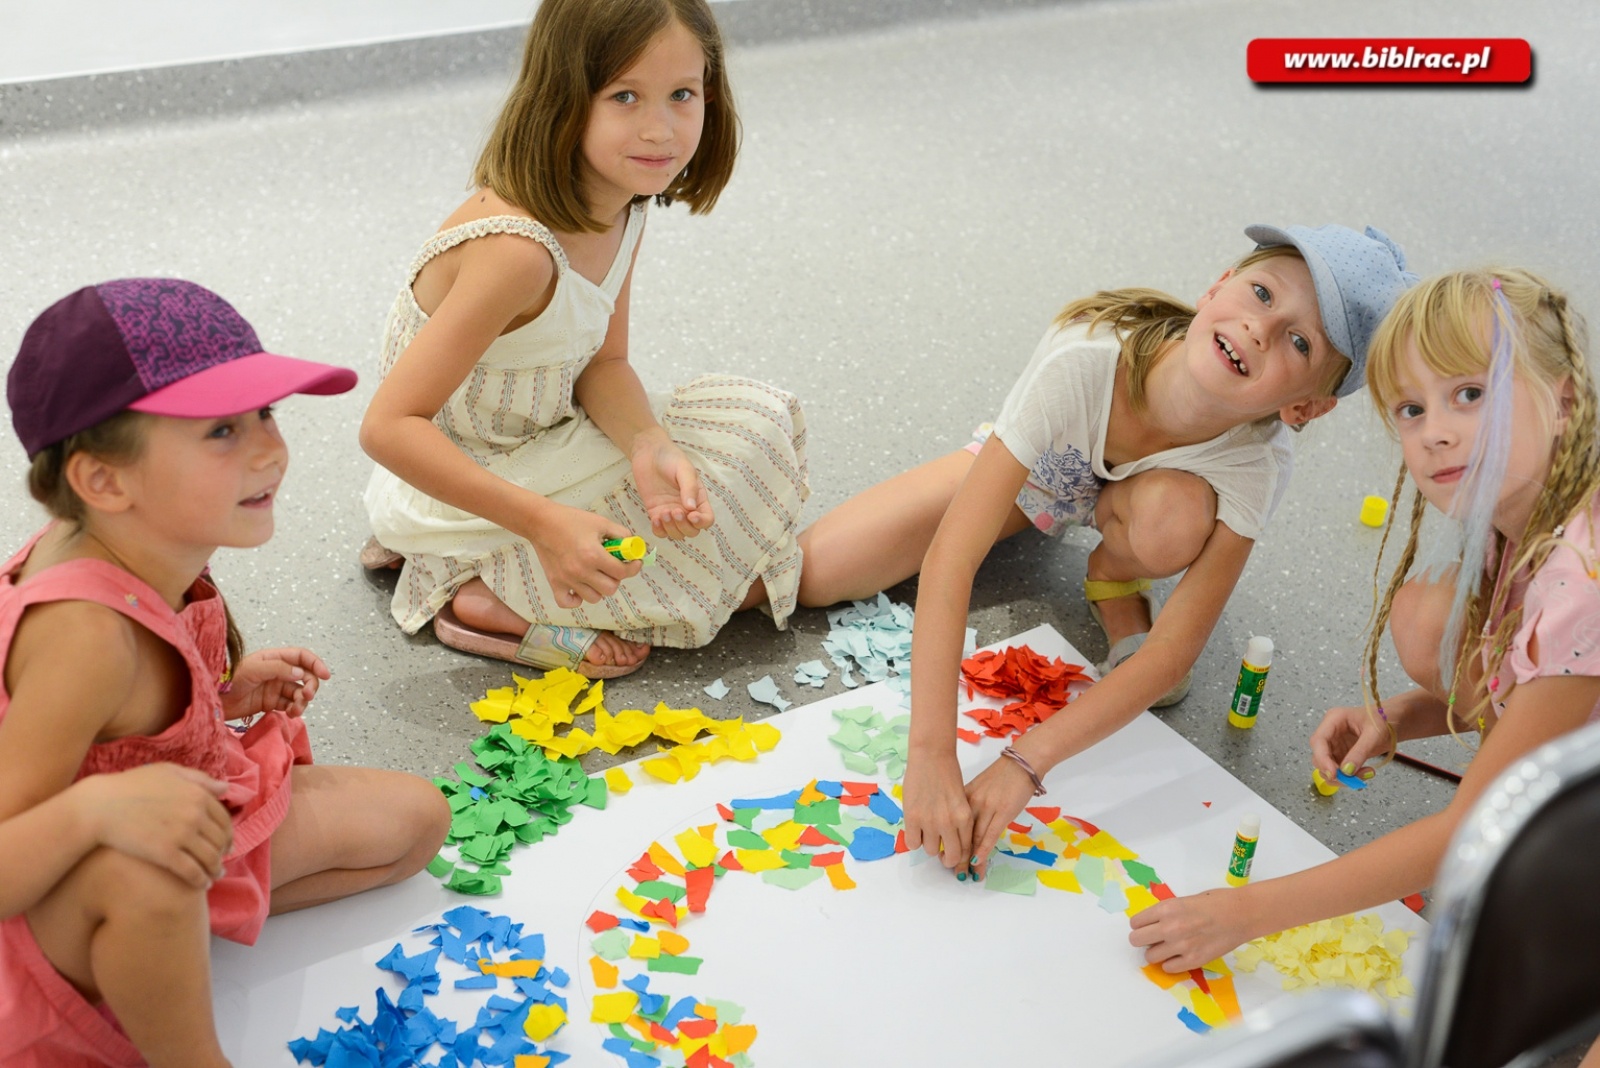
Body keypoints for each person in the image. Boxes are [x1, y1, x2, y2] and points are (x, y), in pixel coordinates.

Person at [795, 224, 1417, 880]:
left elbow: (1173, 653)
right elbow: (955, 553)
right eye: (1261, 293)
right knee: (820, 571)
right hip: (1041, 478)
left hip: (1149, 511)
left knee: (1168, 558)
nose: (1262, 329)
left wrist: (1022, 763)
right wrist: (930, 754)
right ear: (1216, 287)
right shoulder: (1087, 356)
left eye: (1299, 341)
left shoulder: (1257, 462)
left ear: (1306, 406)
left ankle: (1114, 576)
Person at [1128, 268, 1600, 1044]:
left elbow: (1471, 829)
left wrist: (1246, 913)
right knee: (1430, 615)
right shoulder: (1522, 511)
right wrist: (1405, 716)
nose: (1435, 431)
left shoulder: (1581, 573)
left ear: (1568, 400)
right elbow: (1549, 688)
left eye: (1471, 395)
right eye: (1411, 409)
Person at [0, 279, 451, 1067]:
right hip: (47, 893)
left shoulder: (145, 540)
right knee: (145, 884)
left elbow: (123, 723)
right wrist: (100, 811)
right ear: (103, 480)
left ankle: (160, 939)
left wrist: (219, 696)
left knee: (415, 825)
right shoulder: (83, 637)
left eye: (266, 415)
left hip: (172, 807)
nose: (270, 450)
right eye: (219, 431)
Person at [359, 0, 808, 679]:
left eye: (682, 95)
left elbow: (607, 362)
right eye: (625, 96)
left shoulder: (624, 201)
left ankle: (504, 564)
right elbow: (387, 427)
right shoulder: (516, 251)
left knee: (761, 425)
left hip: (543, 440)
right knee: (694, 541)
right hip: (455, 482)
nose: (660, 130)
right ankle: (475, 595)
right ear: (564, 100)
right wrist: (543, 524)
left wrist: (647, 443)